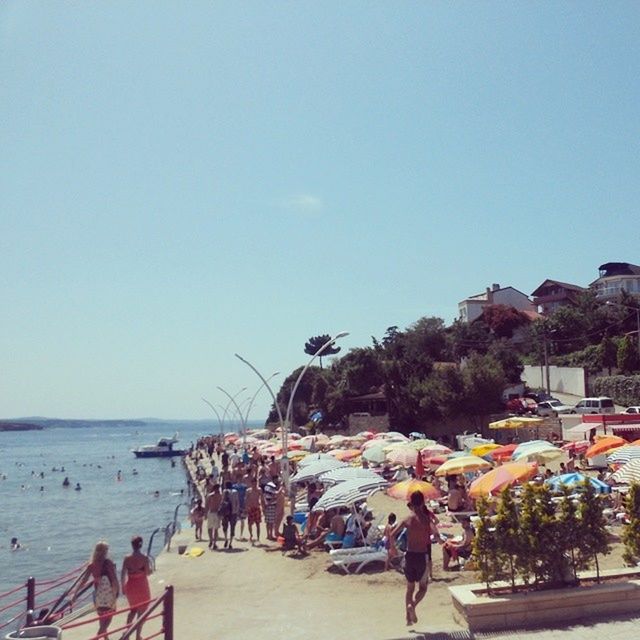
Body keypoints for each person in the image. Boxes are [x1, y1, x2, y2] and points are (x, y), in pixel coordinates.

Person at [392, 491, 432, 626]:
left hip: (409, 556)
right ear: (422, 503)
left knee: (409, 588)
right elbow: (428, 539)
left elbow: (392, 534)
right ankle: (413, 606)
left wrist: (393, 549)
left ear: (411, 503)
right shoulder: (426, 520)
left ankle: (408, 619)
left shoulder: (407, 519)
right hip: (421, 556)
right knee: (423, 588)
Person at [74, 541, 119, 639]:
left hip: (98, 596)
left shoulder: (91, 565)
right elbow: (114, 581)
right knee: (107, 620)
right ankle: (97, 637)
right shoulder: (108, 563)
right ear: (104, 551)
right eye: (107, 549)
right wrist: (116, 595)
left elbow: (83, 581)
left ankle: (106, 638)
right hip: (109, 596)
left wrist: (75, 594)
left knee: (102, 618)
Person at [121, 536, 152, 640]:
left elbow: (122, 574)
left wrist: (123, 587)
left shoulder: (127, 558)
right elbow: (148, 572)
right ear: (141, 544)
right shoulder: (144, 558)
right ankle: (138, 636)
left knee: (132, 610)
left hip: (130, 585)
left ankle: (127, 632)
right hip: (141, 585)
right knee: (142, 612)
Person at [205, 483, 222, 550]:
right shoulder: (220, 496)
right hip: (216, 513)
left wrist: (205, 514)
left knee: (211, 528)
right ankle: (213, 542)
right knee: (215, 529)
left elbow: (206, 505)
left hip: (212, 513)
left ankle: (212, 541)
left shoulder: (210, 495)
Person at [245, 478, 262, 543]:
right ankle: (251, 535)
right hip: (251, 508)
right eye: (253, 483)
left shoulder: (259, 490)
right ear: (251, 483)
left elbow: (262, 498)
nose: (254, 484)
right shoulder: (248, 491)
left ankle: (258, 537)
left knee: (258, 524)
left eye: (255, 483)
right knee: (249, 524)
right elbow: (246, 499)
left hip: (257, 508)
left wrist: (263, 506)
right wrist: (246, 507)